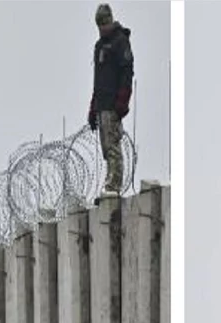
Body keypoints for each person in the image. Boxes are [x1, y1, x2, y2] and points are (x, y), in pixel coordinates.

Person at [87, 3, 134, 201]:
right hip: (102, 103)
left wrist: (122, 100)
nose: (102, 28)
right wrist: (93, 106)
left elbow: (127, 72)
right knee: (107, 148)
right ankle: (110, 181)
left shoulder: (120, 42)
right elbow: (98, 80)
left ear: (110, 21)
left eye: (104, 24)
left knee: (113, 146)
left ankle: (114, 185)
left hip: (113, 103)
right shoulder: (99, 46)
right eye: (99, 25)